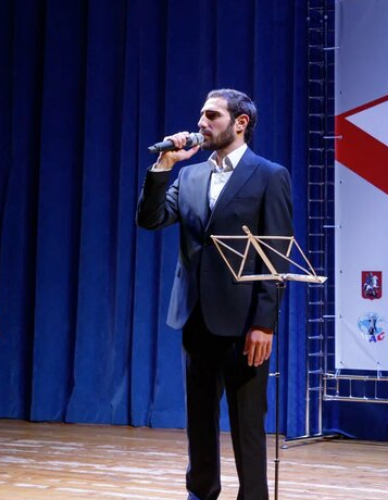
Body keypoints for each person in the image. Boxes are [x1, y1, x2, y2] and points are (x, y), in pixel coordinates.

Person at [136, 88, 292, 500]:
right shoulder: (190, 176)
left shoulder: (269, 175)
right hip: (196, 316)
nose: (201, 123)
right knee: (200, 419)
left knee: (247, 423)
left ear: (240, 123)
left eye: (212, 116)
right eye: (201, 115)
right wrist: (164, 165)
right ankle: (201, 493)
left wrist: (264, 324)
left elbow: (275, 256)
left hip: (244, 323)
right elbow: (150, 219)